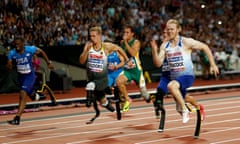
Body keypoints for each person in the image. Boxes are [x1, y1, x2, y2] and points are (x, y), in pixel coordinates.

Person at [150, 19, 219, 123]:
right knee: (178, 105)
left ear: (179, 29)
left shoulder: (186, 42)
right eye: (168, 29)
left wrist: (213, 64)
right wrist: (154, 51)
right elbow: (158, 64)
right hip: (175, 78)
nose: (169, 32)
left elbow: (205, 47)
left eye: (172, 29)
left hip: (187, 76)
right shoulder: (165, 46)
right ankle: (196, 107)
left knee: (171, 86)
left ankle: (185, 109)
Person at [79, 26, 129, 113]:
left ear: (99, 36)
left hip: (102, 76)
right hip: (92, 76)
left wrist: (127, 60)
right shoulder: (88, 46)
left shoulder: (106, 46)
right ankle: (107, 104)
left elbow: (119, 48)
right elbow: (81, 61)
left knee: (90, 87)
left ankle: (94, 98)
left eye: (94, 36)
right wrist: (86, 51)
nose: (92, 38)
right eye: (90, 36)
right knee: (101, 100)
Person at [6, 36, 54, 125]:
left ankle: (17, 118)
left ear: (23, 44)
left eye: (18, 44)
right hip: (21, 77)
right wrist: (9, 65)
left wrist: (48, 63)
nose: (17, 46)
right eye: (15, 44)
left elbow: (42, 52)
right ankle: (41, 96)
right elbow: (8, 64)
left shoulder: (30, 49)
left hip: (30, 76)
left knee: (22, 94)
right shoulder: (12, 53)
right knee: (32, 96)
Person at [116, 25, 150, 112]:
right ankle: (128, 99)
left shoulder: (136, 42)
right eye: (124, 32)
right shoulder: (121, 43)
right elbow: (122, 56)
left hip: (137, 71)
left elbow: (133, 53)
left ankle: (155, 104)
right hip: (127, 71)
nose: (125, 34)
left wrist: (126, 43)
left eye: (127, 32)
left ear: (132, 34)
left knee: (145, 96)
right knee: (119, 81)